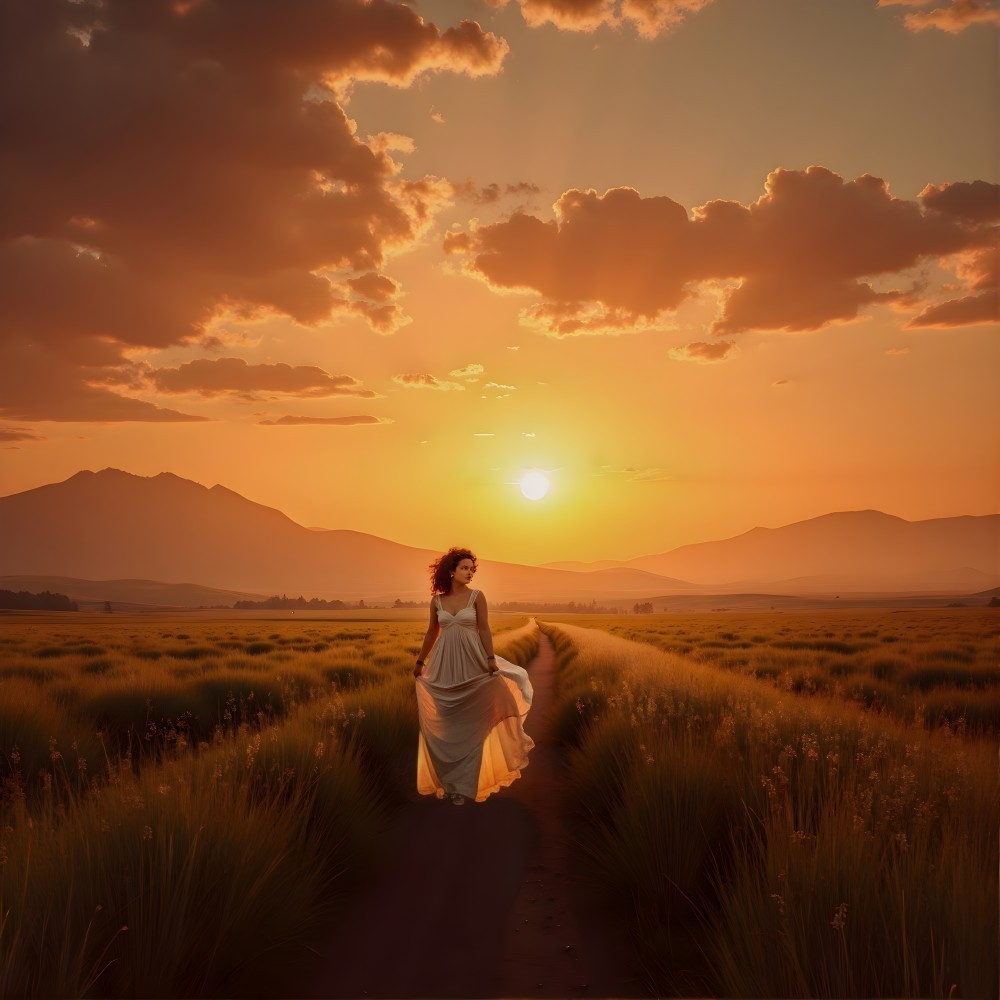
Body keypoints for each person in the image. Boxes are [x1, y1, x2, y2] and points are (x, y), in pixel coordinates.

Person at [413, 548, 534, 805]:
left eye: (471, 569)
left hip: (473, 663)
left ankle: (465, 787)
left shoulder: (477, 596)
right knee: (447, 726)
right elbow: (432, 632)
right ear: (451, 571)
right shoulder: (437, 601)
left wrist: (490, 659)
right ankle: (449, 783)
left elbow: (485, 629)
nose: (470, 573)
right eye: (464, 568)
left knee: (474, 724)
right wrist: (420, 661)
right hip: (444, 666)